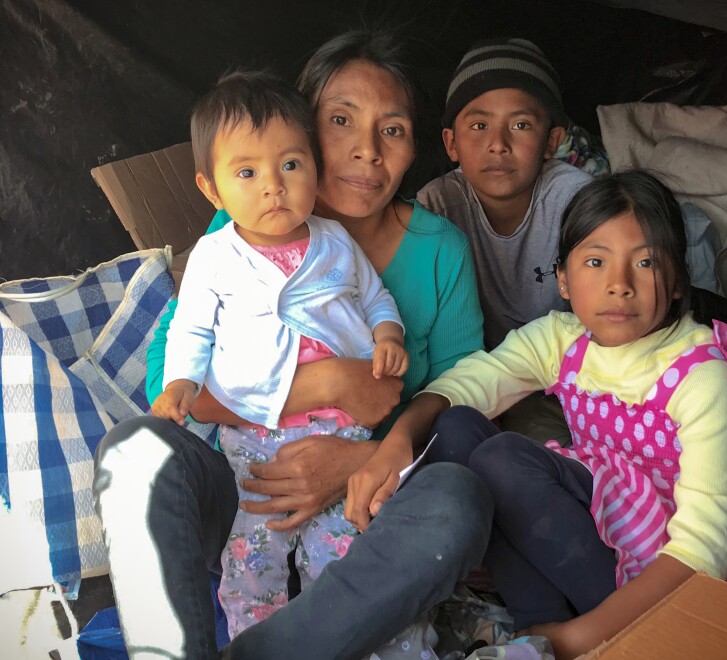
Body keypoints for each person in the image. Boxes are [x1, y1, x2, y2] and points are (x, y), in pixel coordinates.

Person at [93, 30, 491, 660]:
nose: (367, 150)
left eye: (392, 129)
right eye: (341, 121)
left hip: (370, 498)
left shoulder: (439, 249)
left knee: (459, 500)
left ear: (415, 145)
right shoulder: (243, 227)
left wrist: (366, 459)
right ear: (303, 130)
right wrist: (327, 385)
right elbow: (169, 373)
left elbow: (462, 394)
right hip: (246, 482)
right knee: (135, 451)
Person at [347, 170, 727, 660]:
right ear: (563, 280)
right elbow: (468, 383)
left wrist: (579, 640)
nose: (619, 285)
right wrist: (398, 442)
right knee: (453, 428)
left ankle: (564, 638)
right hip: (600, 539)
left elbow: (702, 550)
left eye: (646, 262)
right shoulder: (564, 339)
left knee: (503, 458)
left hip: (668, 575)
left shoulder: (700, 373)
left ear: (676, 283)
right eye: (595, 261)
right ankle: (535, 626)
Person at [150, 70, 412, 638]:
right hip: (255, 439)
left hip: (342, 434)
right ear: (212, 190)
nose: (274, 185)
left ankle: (339, 639)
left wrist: (387, 335)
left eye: (291, 165)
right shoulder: (214, 257)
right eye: (247, 172)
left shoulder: (335, 242)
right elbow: (191, 330)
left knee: (344, 548)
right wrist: (180, 384)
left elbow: (374, 297)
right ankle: (254, 643)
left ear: (314, 169)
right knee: (253, 554)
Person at [417, 37, 593, 444]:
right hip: (470, 376)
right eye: (479, 126)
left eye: (520, 125)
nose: (498, 143)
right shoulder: (437, 206)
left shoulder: (577, 203)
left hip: (564, 381)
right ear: (451, 143)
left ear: (552, 142)